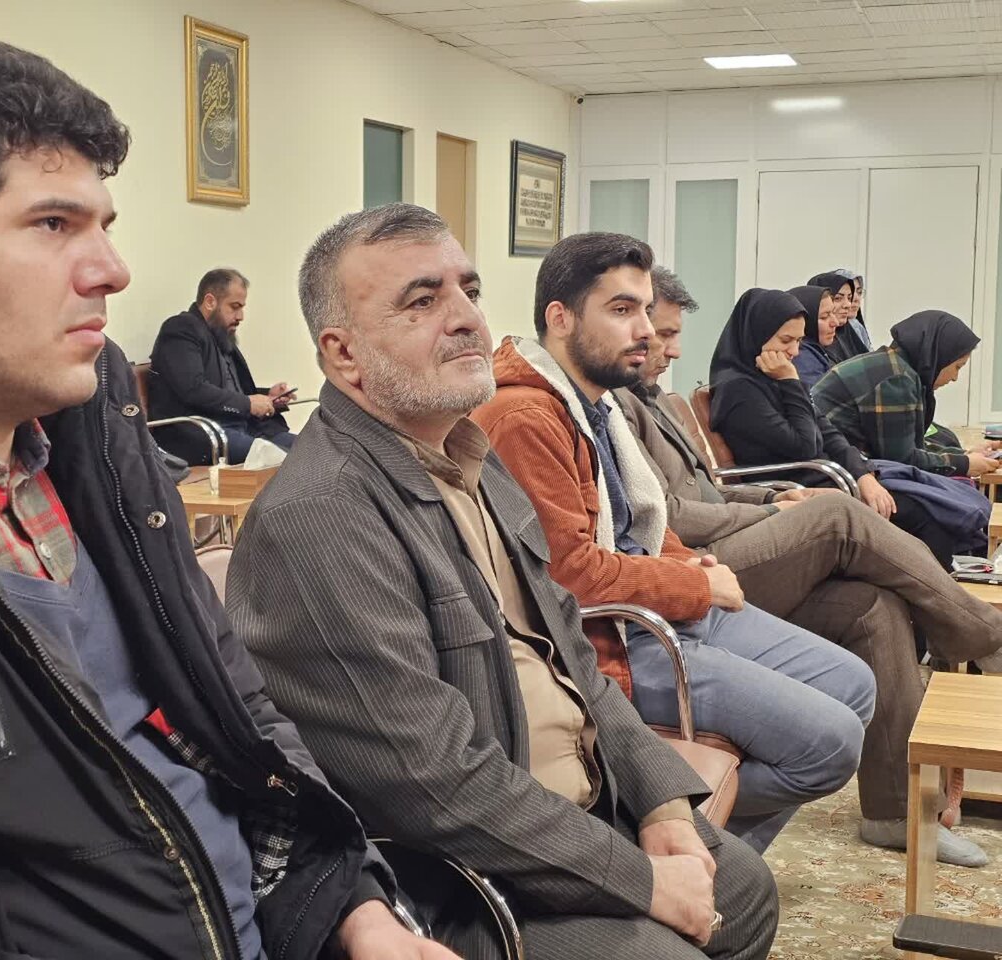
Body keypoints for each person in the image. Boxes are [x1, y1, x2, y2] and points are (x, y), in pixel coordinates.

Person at [0, 39, 453, 960]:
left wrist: (354, 908)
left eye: (103, 224)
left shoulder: (89, 433)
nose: (112, 269)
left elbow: (234, 708)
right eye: (53, 224)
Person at [229, 203, 781, 960]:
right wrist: (642, 880)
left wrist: (661, 803)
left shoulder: (473, 460)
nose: (466, 319)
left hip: (572, 808)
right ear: (344, 354)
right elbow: (434, 784)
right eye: (422, 301)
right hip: (459, 881)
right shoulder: (320, 518)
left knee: (744, 890)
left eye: (470, 290)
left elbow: (575, 658)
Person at [470, 232, 873, 854]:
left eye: (643, 309)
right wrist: (694, 584)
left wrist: (687, 563)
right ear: (560, 318)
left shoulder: (596, 404)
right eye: (621, 310)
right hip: (615, 640)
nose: (645, 331)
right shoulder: (526, 417)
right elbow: (569, 577)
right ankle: (677, 844)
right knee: (829, 744)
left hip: (660, 604)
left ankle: (698, 844)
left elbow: (643, 523)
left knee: (854, 685)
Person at [620, 265, 1002, 865]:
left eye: (670, 333)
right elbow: (669, 516)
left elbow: (722, 482)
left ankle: (894, 813)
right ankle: (988, 636)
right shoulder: (626, 406)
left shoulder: (655, 399)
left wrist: (775, 497)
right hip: (700, 565)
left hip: (730, 537)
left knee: (877, 607)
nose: (671, 349)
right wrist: (771, 511)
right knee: (838, 516)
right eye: (660, 334)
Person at [706, 288, 962, 568]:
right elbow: (806, 446)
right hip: (798, 489)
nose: (794, 352)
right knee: (923, 516)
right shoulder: (740, 390)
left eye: (799, 341)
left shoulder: (768, 379)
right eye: (786, 340)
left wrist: (863, 476)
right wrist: (791, 383)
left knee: (929, 505)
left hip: (826, 478)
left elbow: (827, 431)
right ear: (755, 336)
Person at [813, 311, 995, 478]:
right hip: (831, 474)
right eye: (957, 367)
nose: (955, 377)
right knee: (960, 495)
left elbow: (908, 449)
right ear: (939, 355)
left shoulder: (894, 366)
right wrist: (964, 464)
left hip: (843, 466)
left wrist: (965, 456)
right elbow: (902, 460)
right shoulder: (895, 380)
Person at [149, 268, 297, 464]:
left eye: (242, 307)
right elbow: (193, 389)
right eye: (234, 307)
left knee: (311, 450)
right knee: (281, 460)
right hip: (204, 433)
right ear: (210, 301)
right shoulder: (181, 329)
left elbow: (229, 389)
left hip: (246, 427)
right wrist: (248, 404)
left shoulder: (220, 333)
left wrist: (267, 396)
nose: (241, 316)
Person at [786, 284, 837, 391]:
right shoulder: (802, 358)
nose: (835, 322)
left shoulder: (816, 349)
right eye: (824, 317)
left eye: (833, 312)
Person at [816, 269, 872, 360]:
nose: (848, 304)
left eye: (859, 292)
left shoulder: (853, 327)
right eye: (838, 298)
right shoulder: (807, 347)